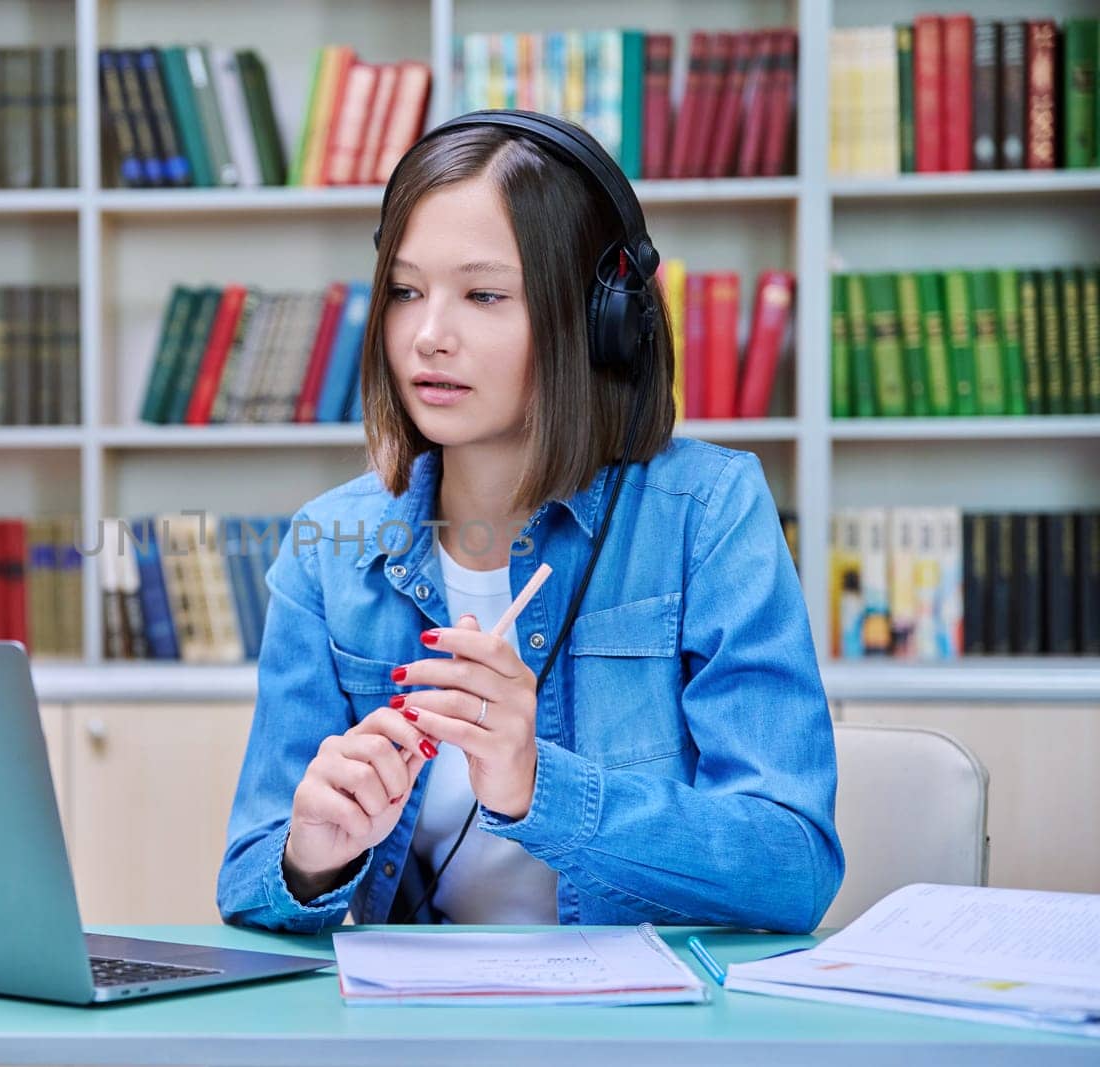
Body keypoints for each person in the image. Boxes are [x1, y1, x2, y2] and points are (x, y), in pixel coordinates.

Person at [216, 112, 843, 934]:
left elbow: (792, 866)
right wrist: (311, 855)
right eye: (406, 291)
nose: (429, 336)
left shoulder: (707, 514)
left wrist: (537, 784)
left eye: (483, 294)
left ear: (598, 322)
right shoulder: (328, 546)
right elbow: (249, 880)